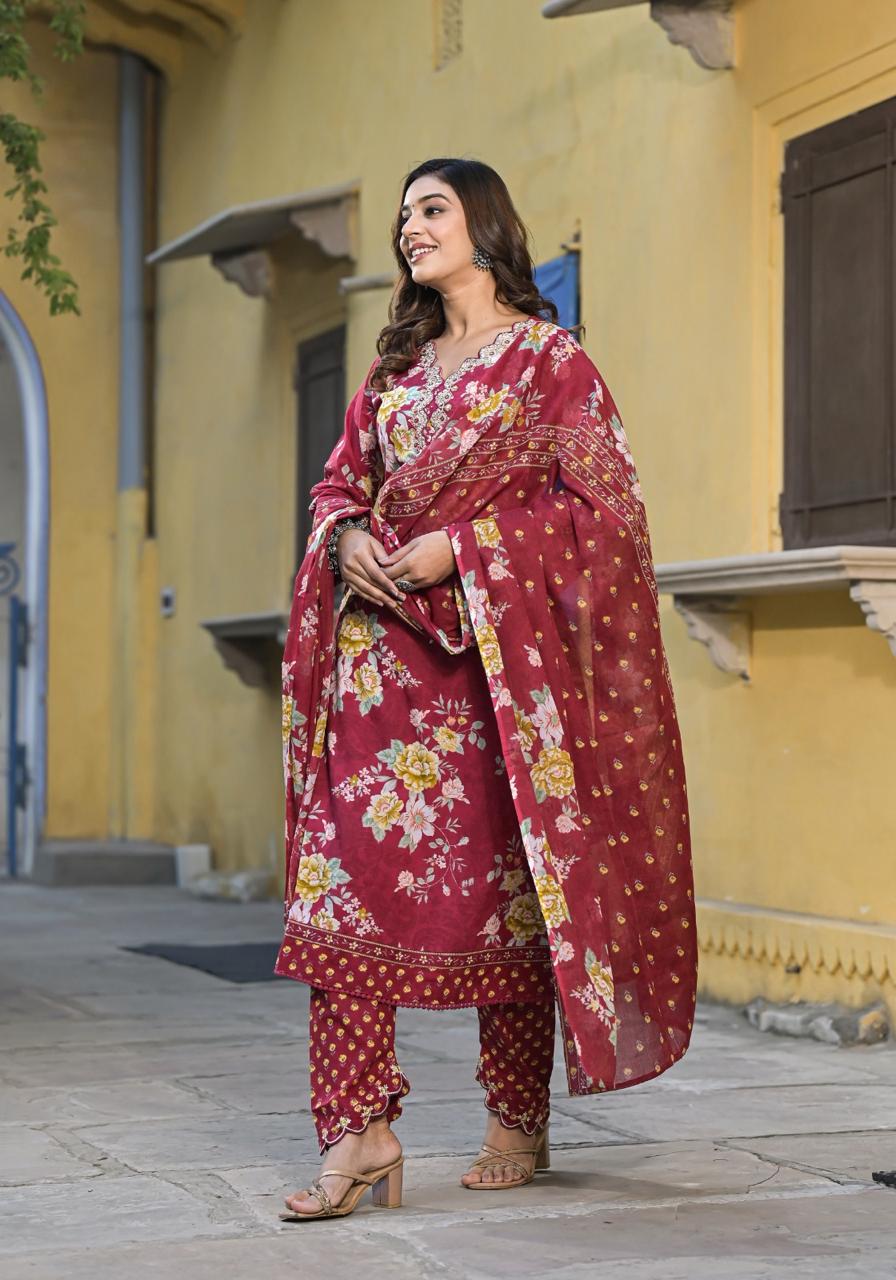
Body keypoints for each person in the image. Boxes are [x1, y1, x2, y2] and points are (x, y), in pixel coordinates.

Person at [276, 157, 698, 1221]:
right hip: (375, 672)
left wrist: (458, 549)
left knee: (509, 897)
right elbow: (338, 483)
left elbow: (606, 521)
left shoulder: (549, 363)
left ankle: (517, 1113)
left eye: (431, 209)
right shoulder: (395, 370)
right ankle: (356, 1129)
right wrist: (349, 537)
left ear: (483, 224)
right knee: (338, 890)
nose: (410, 230)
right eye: (402, 216)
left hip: (493, 681)